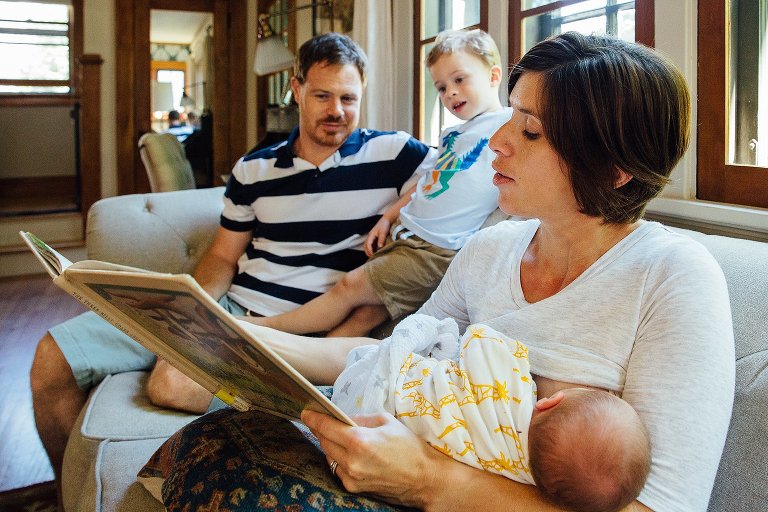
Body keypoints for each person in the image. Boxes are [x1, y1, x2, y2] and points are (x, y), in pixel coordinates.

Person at [189, 32, 733, 511]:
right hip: (390, 464)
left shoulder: (672, 277)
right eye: (509, 117)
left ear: (614, 170)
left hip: (431, 489)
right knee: (221, 438)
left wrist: (428, 482)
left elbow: (661, 507)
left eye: (530, 131)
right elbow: (394, 357)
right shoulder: (490, 249)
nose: (497, 141)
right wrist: (229, 335)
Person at [29, 32, 435, 500]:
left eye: (349, 98)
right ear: (297, 89)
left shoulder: (395, 154)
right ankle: (63, 496)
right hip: (233, 305)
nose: (336, 111)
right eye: (323, 96)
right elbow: (223, 256)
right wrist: (192, 311)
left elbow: (458, 172)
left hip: (301, 326)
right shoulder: (253, 169)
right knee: (51, 357)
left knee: (174, 384)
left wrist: (395, 210)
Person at [248, 29, 511, 337]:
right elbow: (428, 182)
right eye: (441, 87)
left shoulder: (506, 126)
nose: (450, 93)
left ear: (494, 76)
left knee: (348, 287)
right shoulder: (452, 134)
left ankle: (265, 329)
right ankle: (312, 359)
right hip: (409, 235)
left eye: (459, 79)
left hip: (435, 250)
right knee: (367, 314)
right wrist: (388, 217)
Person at [331, 314, 651, 512]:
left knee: (427, 335)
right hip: (382, 425)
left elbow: (479, 339)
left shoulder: (514, 390)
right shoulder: (521, 479)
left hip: (389, 390)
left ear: (549, 402)